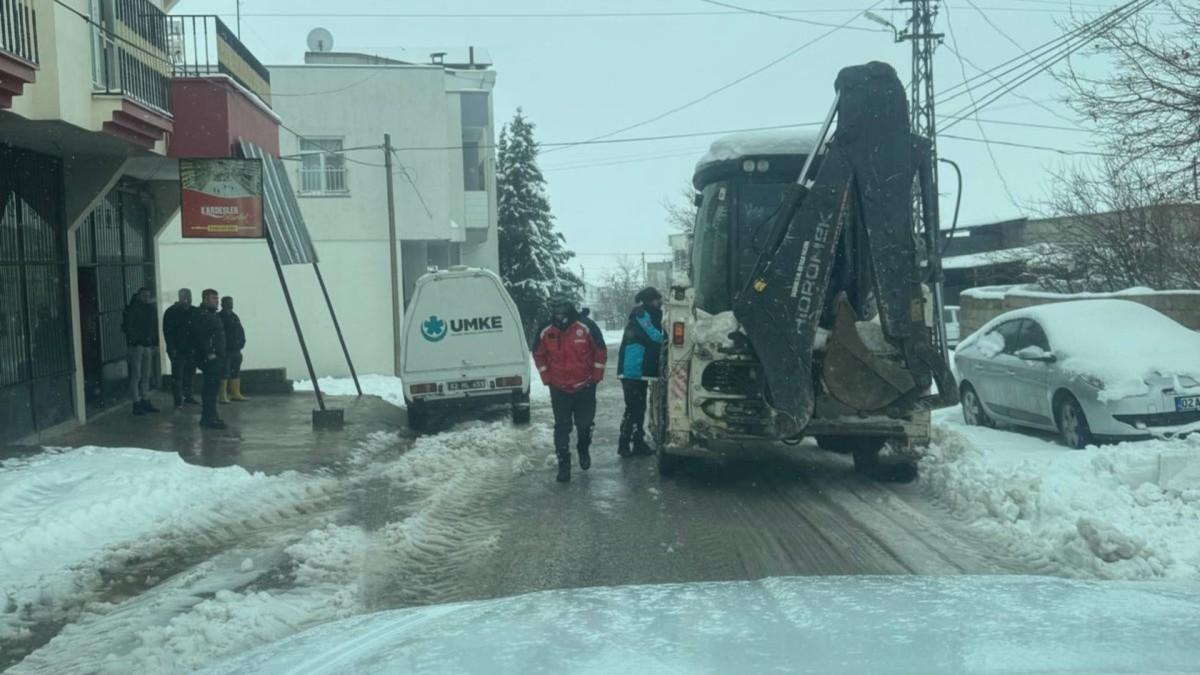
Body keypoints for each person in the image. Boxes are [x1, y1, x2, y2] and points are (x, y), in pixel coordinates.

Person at [532, 294, 608, 483]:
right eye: (555, 312)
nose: (559, 316)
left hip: (585, 386)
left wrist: (595, 378)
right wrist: (547, 378)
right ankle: (563, 465)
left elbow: (600, 351)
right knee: (562, 427)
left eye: (562, 311)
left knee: (584, 425)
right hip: (559, 388)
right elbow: (538, 355)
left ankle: (583, 448)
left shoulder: (586, 326)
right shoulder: (545, 330)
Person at [617, 287, 666, 457]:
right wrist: (671, 337)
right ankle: (624, 444)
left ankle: (637, 442)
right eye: (658, 299)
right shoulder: (642, 314)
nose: (660, 302)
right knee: (634, 408)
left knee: (639, 408)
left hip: (640, 370)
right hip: (632, 370)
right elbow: (653, 335)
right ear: (651, 300)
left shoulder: (649, 313)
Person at [192, 289, 227, 429]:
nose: (216, 301)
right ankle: (209, 418)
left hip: (216, 356)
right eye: (213, 298)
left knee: (212, 388)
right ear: (205, 299)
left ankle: (210, 417)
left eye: (217, 298)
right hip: (210, 357)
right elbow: (200, 336)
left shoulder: (210, 314)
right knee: (210, 389)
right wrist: (209, 352)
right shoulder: (202, 315)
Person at [122, 287, 159, 415]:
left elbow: (153, 327)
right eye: (144, 296)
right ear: (139, 296)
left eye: (148, 296)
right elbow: (128, 327)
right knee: (138, 375)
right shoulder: (133, 309)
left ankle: (143, 400)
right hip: (138, 345)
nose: (146, 298)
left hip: (143, 344)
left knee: (144, 375)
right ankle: (138, 402)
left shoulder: (143, 308)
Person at [162, 288, 199, 409]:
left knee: (189, 374)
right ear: (179, 297)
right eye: (185, 296)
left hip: (190, 349)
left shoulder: (193, 311)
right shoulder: (172, 312)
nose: (187, 299)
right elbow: (168, 332)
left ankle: (187, 397)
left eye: (189, 296)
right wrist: (172, 347)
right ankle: (178, 400)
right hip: (178, 349)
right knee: (178, 375)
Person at [218, 295, 249, 403]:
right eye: (228, 302)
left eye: (231, 302)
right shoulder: (219, 317)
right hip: (226, 350)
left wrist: (242, 342)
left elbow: (240, 330)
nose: (230, 304)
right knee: (224, 372)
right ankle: (223, 395)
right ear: (222, 304)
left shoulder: (234, 316)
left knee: (235, 371)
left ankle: (235, 393)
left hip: (236, 349)